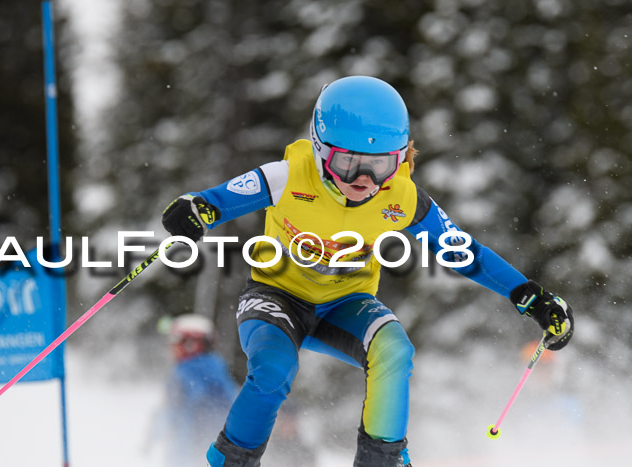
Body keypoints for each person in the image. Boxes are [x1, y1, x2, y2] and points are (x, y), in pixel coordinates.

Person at [160, 76, 574, 467]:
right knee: (272, 370)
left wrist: (530, 295)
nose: (363, 179)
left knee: (394, 351)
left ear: (400, 157)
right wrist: (195, 211)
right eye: (348, 163)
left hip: (345, 303)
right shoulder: (288, 175)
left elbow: (466, 253)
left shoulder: (403, 197)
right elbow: (214, 202)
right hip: (275, 297)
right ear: (321, 149)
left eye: (380, 165)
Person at [151, 313, 239, 466]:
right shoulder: (215, 367)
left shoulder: (189, 371)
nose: (172, 348)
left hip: (191, 448)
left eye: (176, 341)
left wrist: (153, 435)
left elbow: (171, 409)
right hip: (204, 447)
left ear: (192, 344)